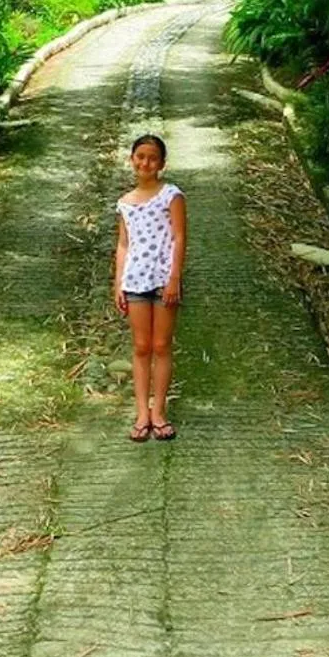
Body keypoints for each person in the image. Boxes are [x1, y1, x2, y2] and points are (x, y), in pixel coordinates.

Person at [113, 133, 186, 441]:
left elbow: (180, 237)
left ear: (162, 164)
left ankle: (159, 412)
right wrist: (118, 282)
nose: (145, 162)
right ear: (132, 160)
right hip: (135, 281)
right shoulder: (125, 204)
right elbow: (123, 244)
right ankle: (142, 412)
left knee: (161, 345)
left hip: (162, 282)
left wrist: (174, 278)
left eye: (152, 157)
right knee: (141, 347)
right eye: (140, 156)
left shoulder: (172, 195)